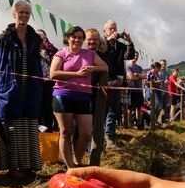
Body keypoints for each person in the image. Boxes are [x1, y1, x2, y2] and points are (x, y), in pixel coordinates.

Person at [0, 1, 44, 178]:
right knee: (11, 127)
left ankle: (28, 166)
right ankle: (12, 167)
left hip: (30, 87)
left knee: (28, 126)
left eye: (27, 13)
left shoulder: (35, 38)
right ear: (14, 14)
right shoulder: (4, 38)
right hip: (9, 87)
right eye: (20, 12)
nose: (23, 16)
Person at [50, 26, 107, 168]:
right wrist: (77, 74)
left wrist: (93, 68)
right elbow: (53, 74)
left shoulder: (90, 54)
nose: (77, 40)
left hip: (84, 96)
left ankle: (77, 161)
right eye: (74, 37)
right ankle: (70, 167)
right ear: (68, 38)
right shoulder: (61, 54)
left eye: (80, 38)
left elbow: (105, 67)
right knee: (66, 131)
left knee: (87, 133)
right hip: (63, 95)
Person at [101, 20, 135, 145]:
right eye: (111, 28)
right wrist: (109, 40)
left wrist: (129, 41)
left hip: (117, 81)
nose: (114, 31)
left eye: (115, 28)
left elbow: (130, 55)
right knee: (102, 108)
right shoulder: (101, 42)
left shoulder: (120, 45)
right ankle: (100, 134)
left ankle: (109, 134)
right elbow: (99, 52)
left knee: (113, 108)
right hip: (103, 80)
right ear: (105, 30)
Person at [85, 27, 109, 164]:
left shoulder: (103, 56)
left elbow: (107, 70)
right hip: (82, 94)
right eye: (89, 39)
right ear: (85, 41)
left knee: (98, 124)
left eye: (95, 39)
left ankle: (94, 153)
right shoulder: (80, 54)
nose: (92, 42)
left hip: (99, 95)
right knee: (83, 126)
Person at [36, 29, 58, 132]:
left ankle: (48, 130)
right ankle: (38, 130)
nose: (40, 38)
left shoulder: (50, 51)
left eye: (43, 36)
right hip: (37, 83)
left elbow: (56, 52)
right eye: (38, 36)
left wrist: (47, 43)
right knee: (38, 107)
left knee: (48, 108)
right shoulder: (33, 50)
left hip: (49, 83)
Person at [125, 52, 144, 129]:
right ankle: (129, 124)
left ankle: (138, 123)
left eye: (137, 56)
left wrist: (137, 75)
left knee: (139, 108)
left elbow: (145, 76)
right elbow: (131, 77)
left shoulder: (139, 67)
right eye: (134, 55)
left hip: (139, 90)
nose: (135, 57)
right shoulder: (127, 66)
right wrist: (139, 76)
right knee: (129, 108)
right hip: (130, 90)